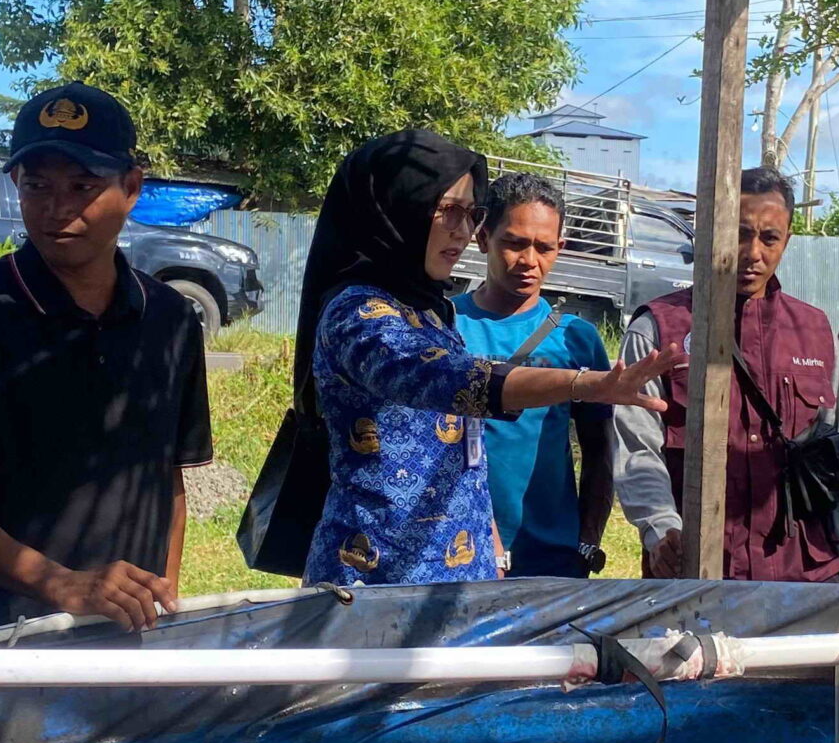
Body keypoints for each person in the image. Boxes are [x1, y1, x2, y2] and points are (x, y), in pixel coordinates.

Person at [289, 131, 680, 587]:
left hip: (459, 581)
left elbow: (469, 455)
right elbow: (433, 376)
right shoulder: (358, 313)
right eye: (448, 211)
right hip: (378, 581)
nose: (462, 230)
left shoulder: (427, 312)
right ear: (399, 208)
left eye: (469, 214)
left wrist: (510, 541)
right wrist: (583, 384)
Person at [0, 83, 211, 633]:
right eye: (38, 186)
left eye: (84, 186)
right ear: (16, 184)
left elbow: (167, 480)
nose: (58, 209)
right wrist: (60, 583)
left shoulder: (171, 320)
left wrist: (161, 603)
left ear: (131, 188)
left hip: (117, 634)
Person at [616, 166, 839, 581]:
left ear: (786, 241)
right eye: (739, 233)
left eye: (769, 237)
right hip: (694, 572)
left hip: (805, 578)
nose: (753, 252)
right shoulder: (660, 329)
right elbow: (636, 448)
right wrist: (662, 530)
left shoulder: (815, 332)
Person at [454, 172, 616, 578]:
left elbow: (599, 451)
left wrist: (587, 540)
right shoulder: (445, 325)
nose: (529, 261)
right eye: (514, 243)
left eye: (544, 247)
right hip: (456, 550)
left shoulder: (577, 339)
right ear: (483, 238)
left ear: (560, 248)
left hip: (552, 558)